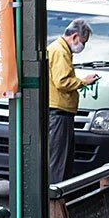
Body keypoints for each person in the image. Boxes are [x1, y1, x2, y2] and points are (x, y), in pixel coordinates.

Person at [45, 18, 97, 185]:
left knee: (61, 160)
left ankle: (58, 200)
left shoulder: (60, 49)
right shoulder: (60, 51)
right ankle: (55, 203)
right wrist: (83, 82)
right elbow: (62, 82)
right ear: (75, 37)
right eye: (83, 42)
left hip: (60, 113)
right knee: (59, 163)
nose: (83, 46)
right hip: (59, 113)